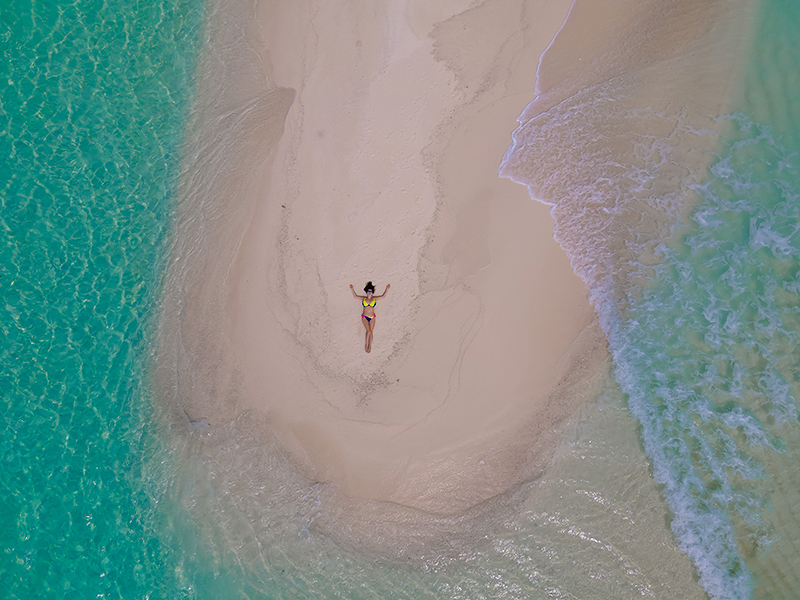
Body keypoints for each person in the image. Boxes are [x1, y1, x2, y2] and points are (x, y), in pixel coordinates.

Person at [349, 281, 390, 353]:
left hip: (372, 317)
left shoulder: (374, 299)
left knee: (371, 331)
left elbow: (383, 296)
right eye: (368, 291)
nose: (369, 292)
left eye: (371, 291)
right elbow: (355, 296)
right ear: (367, 292)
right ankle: (366, 344)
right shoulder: (363, 299)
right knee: (368, 331)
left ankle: (370, 345)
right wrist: (352, 289)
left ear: (372, 293)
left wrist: (387, 289)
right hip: (364, 316)